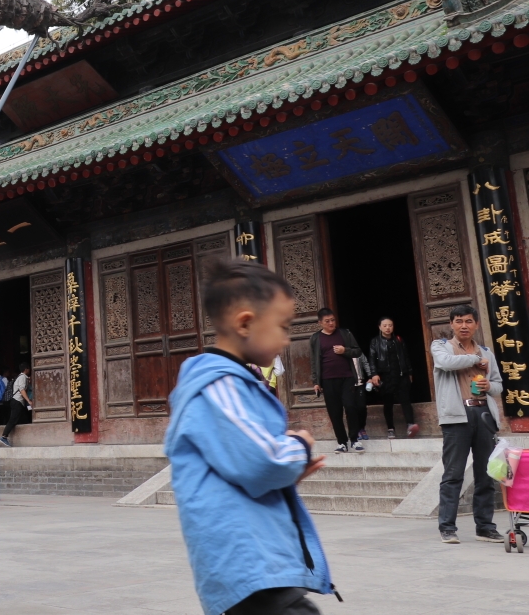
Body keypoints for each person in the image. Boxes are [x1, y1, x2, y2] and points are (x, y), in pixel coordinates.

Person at [166, 260, 334, 615]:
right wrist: (299, 445)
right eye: (283, 327)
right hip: (246, 557)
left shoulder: (229, 381)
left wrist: (287, 472)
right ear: (245, 323)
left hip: (253, 558)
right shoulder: (219, 384)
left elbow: (246, 466)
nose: (286, 339)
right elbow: (262, 462)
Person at [431, 305, 504, 544]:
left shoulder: (486, 352)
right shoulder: (440, 346)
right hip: (456, 415)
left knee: (486, 473)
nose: (464, 325)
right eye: (459, 321)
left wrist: (488, 387)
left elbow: (498, 384)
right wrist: (475, 359)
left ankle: (485, 526)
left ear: (476, 325)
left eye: (469, 321)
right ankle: (447, 527)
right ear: (451, 324)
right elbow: (445, 363)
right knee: (453, 473)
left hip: (482, 413)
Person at [310, 308, 368, 453]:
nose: (331, 323)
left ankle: (354, 440)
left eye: (333, 320)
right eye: (327, 321)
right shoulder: (315, 338)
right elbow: (314, 361)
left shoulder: (345, 333)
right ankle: (342, 442)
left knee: (350, 406)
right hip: (327, 380)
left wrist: (345, 351)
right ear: (320, 323)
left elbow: (358, 351)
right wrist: (316, 381)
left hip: (347, 377)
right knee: (335, 412)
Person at [368, 318, 418, 439]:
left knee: (405, 400)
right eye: (385, 325)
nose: (388, 328)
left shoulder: (398, 340)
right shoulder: (375, 342)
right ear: (379, 327)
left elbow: (405, 357)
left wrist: (409, 372)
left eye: (390, 325)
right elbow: (372, 359)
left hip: (400, 374)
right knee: (388, 402)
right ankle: (390, 428)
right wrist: (374, 374)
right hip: (385, 376)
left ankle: (410, 425)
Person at [0, 363, 32, 447]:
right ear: (26, 369)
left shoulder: (22, 377)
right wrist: (28, 400)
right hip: (17, 401)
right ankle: (4, 436)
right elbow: (22, 390)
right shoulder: (22, 377)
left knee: (23, 419)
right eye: (29, 369)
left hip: (18, 402)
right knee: (13, 419)